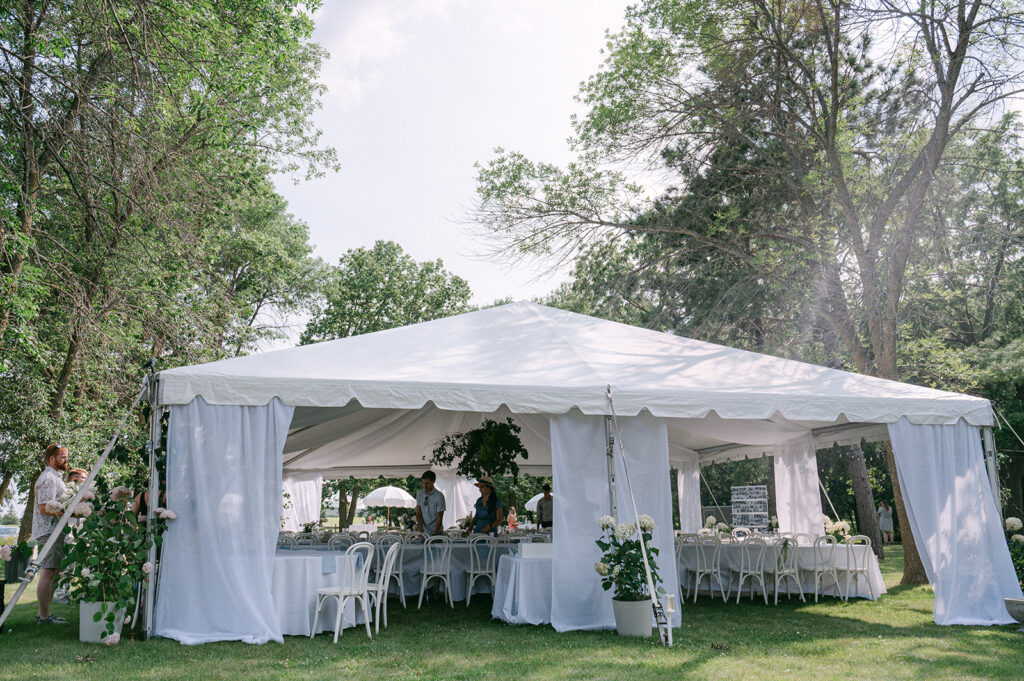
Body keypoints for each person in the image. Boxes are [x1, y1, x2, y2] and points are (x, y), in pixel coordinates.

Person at [32, 444, 70, 624]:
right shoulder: (48, 478)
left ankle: (44, 614)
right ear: (52, 459)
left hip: (56, 530)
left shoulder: (56, 477)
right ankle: (44, 616)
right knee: (47, 571)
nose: (65, 460)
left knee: (54, 571)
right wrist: (70, 511)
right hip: (48, 531)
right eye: (62, 457)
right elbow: (43, 507)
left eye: (66, 457)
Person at [415, 470, 446, 536]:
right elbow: (418, 512)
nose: (424, 486)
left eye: (427, 483)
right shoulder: (419, 494)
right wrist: (420, 529)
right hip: (423, 532)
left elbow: (439, 517)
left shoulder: (439, 496)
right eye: (423, 483)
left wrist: (434, 533)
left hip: (437, 532)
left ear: (433, 481)